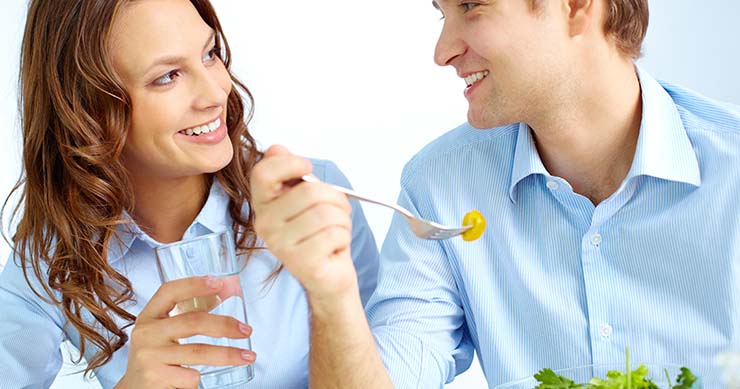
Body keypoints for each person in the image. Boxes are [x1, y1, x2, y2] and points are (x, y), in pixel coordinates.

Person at [251, 0, 740, 387]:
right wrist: (330, 291)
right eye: (443, 14)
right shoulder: (440, 186)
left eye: (472, 6)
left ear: (575, 6)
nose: (442, 52)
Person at [0, 1, 378, 388]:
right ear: (85, 109)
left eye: (210, 53)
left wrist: (333, 296)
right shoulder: (53, 259)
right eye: (168, 76)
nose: (216, 92)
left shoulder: (314, 201)